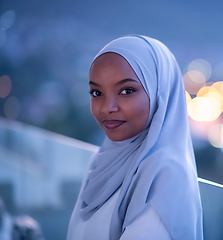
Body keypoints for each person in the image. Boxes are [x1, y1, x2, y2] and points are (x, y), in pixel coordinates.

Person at [67, 35, 203, 240]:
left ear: (160, 93)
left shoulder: (166, 174)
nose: (107, 107)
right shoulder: (100, 162)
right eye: (97, 93)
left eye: (127, 90)